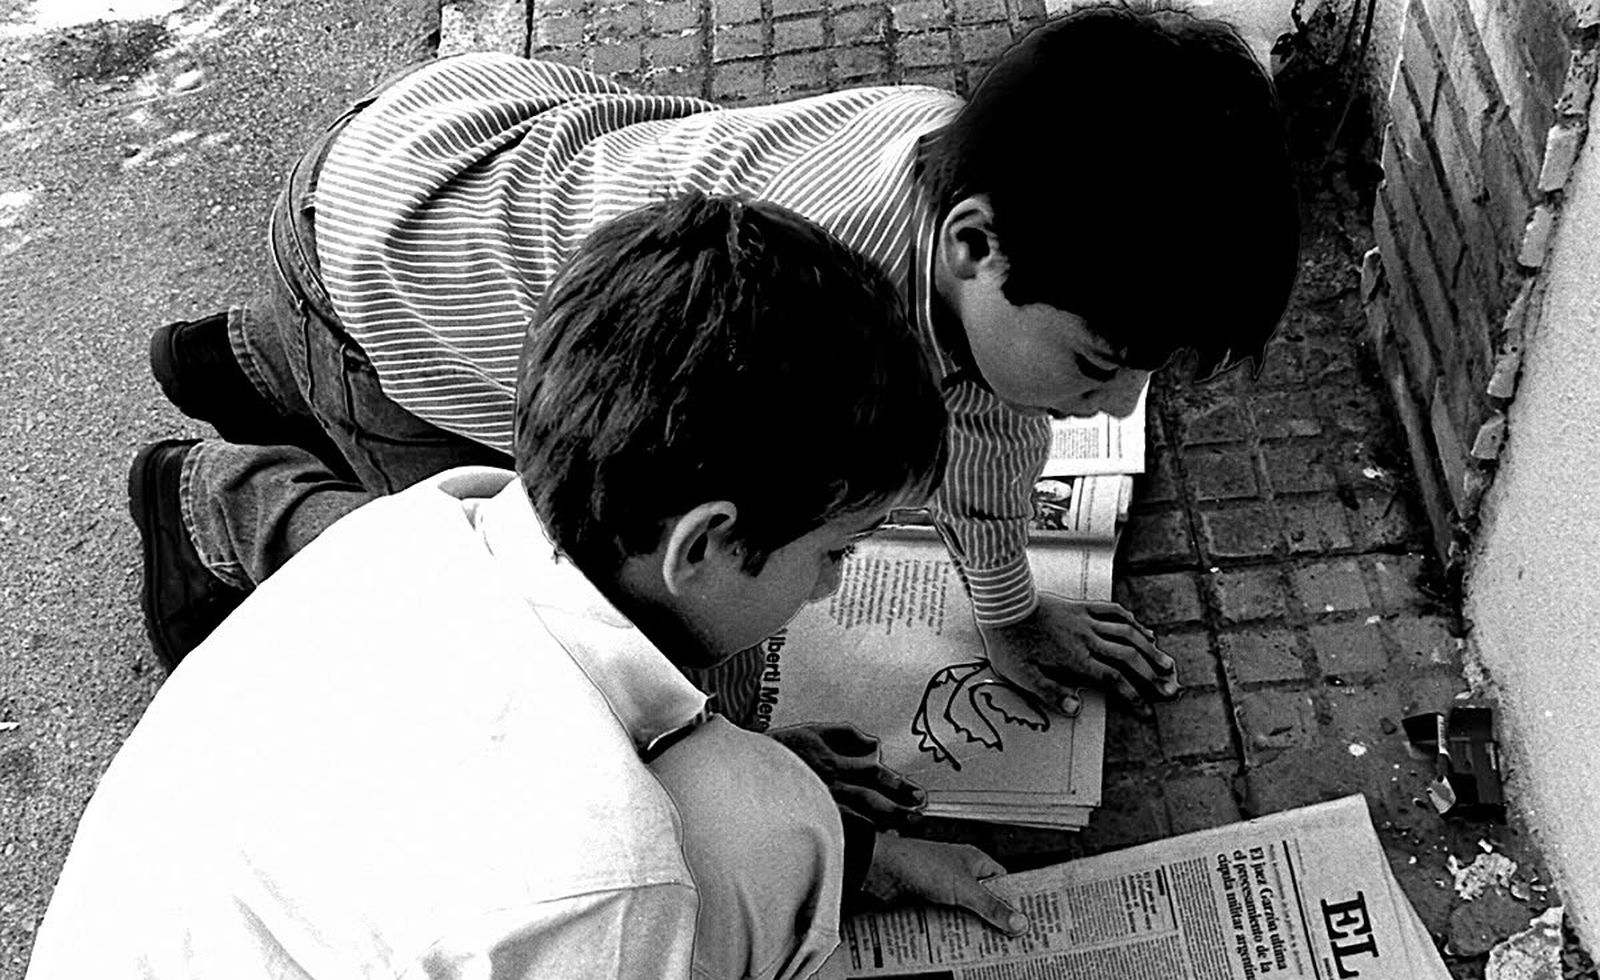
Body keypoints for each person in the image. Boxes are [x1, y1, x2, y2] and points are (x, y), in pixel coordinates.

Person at [23, 193, 1030, 980]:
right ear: (708, 543)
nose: (832, 591)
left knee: (758, 806)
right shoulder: (593, 876)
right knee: (760, 832)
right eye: (832, 553)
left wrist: (872, 853)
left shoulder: (442, 521)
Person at [141, 0, 1299, 715]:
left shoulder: (952, 153)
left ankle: (251, 360)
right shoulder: (797, 348)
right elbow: (682, 585)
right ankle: (216, 502)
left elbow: (989, 441)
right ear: (972, 244)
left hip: (455, 142)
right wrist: (753, 752)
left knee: (379, 358)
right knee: (489, 582)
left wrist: (1005, 611)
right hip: (390, 258)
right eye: (1099, 365)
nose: (1112, 410)